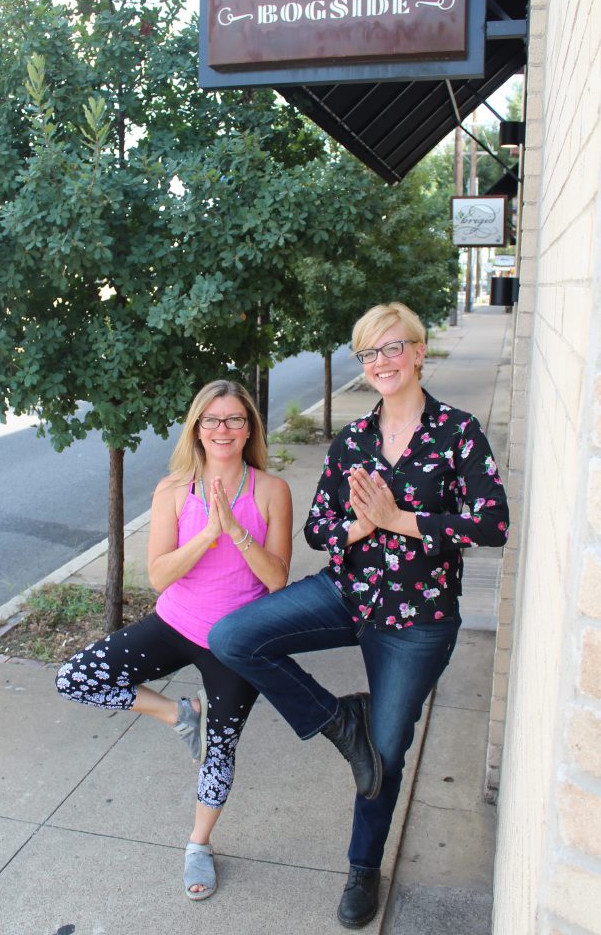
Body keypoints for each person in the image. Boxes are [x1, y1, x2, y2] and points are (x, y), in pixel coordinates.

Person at [209, 302, 509, 928]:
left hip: (418, 620)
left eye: (392, 348)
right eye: (369, 353)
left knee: (389, 754)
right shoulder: (353, 439)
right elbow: (320, 531)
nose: (381, 363)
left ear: (419, 351)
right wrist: (359, 524)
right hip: (348, 593)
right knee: (234, 636)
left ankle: (362, 867)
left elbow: (491, 522)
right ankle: (341, 718)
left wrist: (403, 521)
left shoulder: (458, 432)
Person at [55, 379, 293, 901]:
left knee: (220, 752)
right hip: (175, 623)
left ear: (249, 427)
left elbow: (276, 580)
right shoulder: (173, 490)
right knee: (75, 678)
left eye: (233, 419)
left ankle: (198, 845)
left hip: (236, 640)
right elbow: (161, 575)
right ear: (197, 429)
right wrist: (208, 531)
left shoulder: (271, 491)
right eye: (211, 420)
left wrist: (235, 529)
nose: (223, 429)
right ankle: (178, 713)